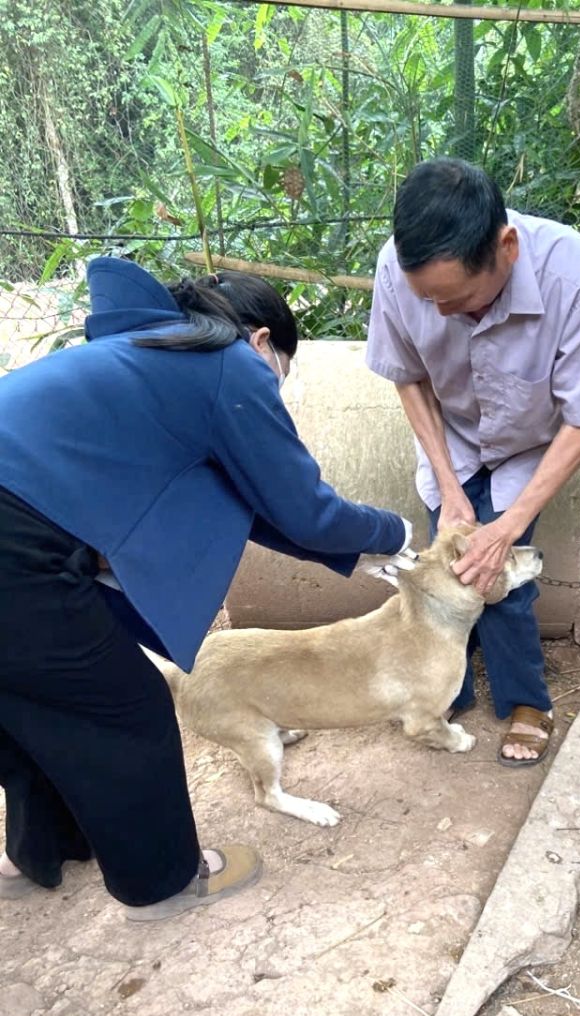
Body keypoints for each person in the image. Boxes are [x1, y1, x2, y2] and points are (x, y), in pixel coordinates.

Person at [0, 257, 411, 919]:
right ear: (262, 341)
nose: (276, 386)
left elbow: (255, 508)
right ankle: (165, 883)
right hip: (16, 546)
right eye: (283, 369)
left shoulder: (146, 355)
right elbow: (303, 510)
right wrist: (394, 531)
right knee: (128, 708)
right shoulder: (228, 363)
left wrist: (356, 551)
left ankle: (39, 850)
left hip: (16, 533)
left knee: (27, 696)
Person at [366, 158, 580, 766]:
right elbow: (409, 377)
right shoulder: (394, 268)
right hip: (451, 437)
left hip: (530, 444)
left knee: (500, 581)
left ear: (505, 248)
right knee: (445, 577)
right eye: (427, 299)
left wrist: (507, 527)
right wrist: (449, 486)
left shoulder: (574, 274)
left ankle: (527, 702)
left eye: (457, 299)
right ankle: (443, 692)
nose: (440, 314)